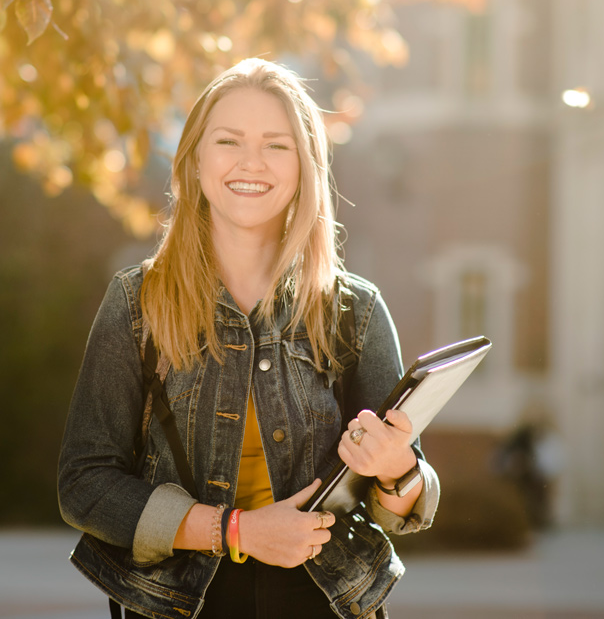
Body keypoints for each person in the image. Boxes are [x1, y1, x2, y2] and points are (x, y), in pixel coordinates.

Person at [58, 59, 440, 619]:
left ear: (306, 166)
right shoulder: (136, 304)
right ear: (194, 160)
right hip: (177, 606)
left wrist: (396, 467)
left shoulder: (355, 311)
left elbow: (404, 503)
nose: (251, 163)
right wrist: (236, 531)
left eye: (277, 146)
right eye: (229, 141)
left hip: (327, 602)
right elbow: (84, 484)